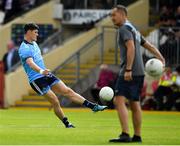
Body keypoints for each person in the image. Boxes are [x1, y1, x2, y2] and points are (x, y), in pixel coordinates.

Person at [18, 23, 107, 128]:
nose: (37, 35)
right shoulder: (24, 48)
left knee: (68, 91)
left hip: (46, 75)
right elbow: (30, 63)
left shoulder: (34, 44)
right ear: (28, 32)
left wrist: (44, 72)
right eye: (35, 32)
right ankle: (67, 123)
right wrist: (41, 71)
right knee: (55, 101)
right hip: (36, 79)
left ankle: (93, 107)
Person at [109, 5, 165, 142]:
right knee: (135, 103)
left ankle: (125, 134)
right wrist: (161, 57)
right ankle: (137, 136)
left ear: (122, 14)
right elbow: (148, 45)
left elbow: (131, 47)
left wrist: (128, 69)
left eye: (114, 15)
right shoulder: (133, 28)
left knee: (119, 100)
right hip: (140, 72)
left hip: (129, 71)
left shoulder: (124, 29)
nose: (112, 18)